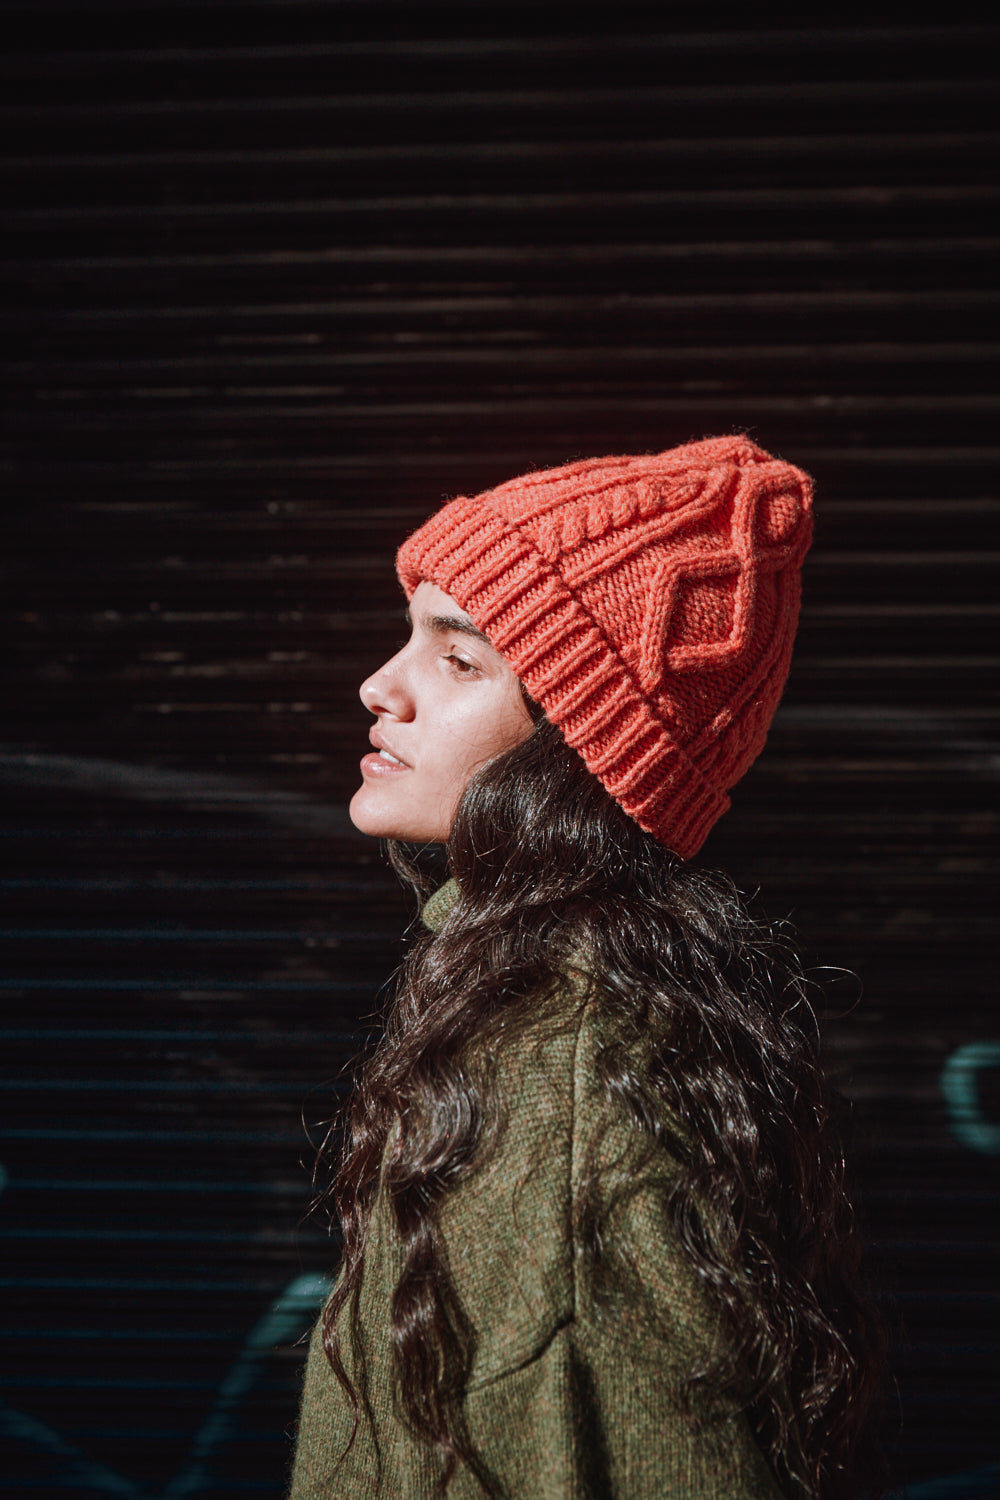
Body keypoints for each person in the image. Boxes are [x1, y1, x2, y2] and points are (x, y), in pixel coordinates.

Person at [289, 436, 886, 1500]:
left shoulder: (564, 1073)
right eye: (407, 637)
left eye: (457, 658)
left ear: (581, 747)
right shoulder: (515, 992)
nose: (381, 685)